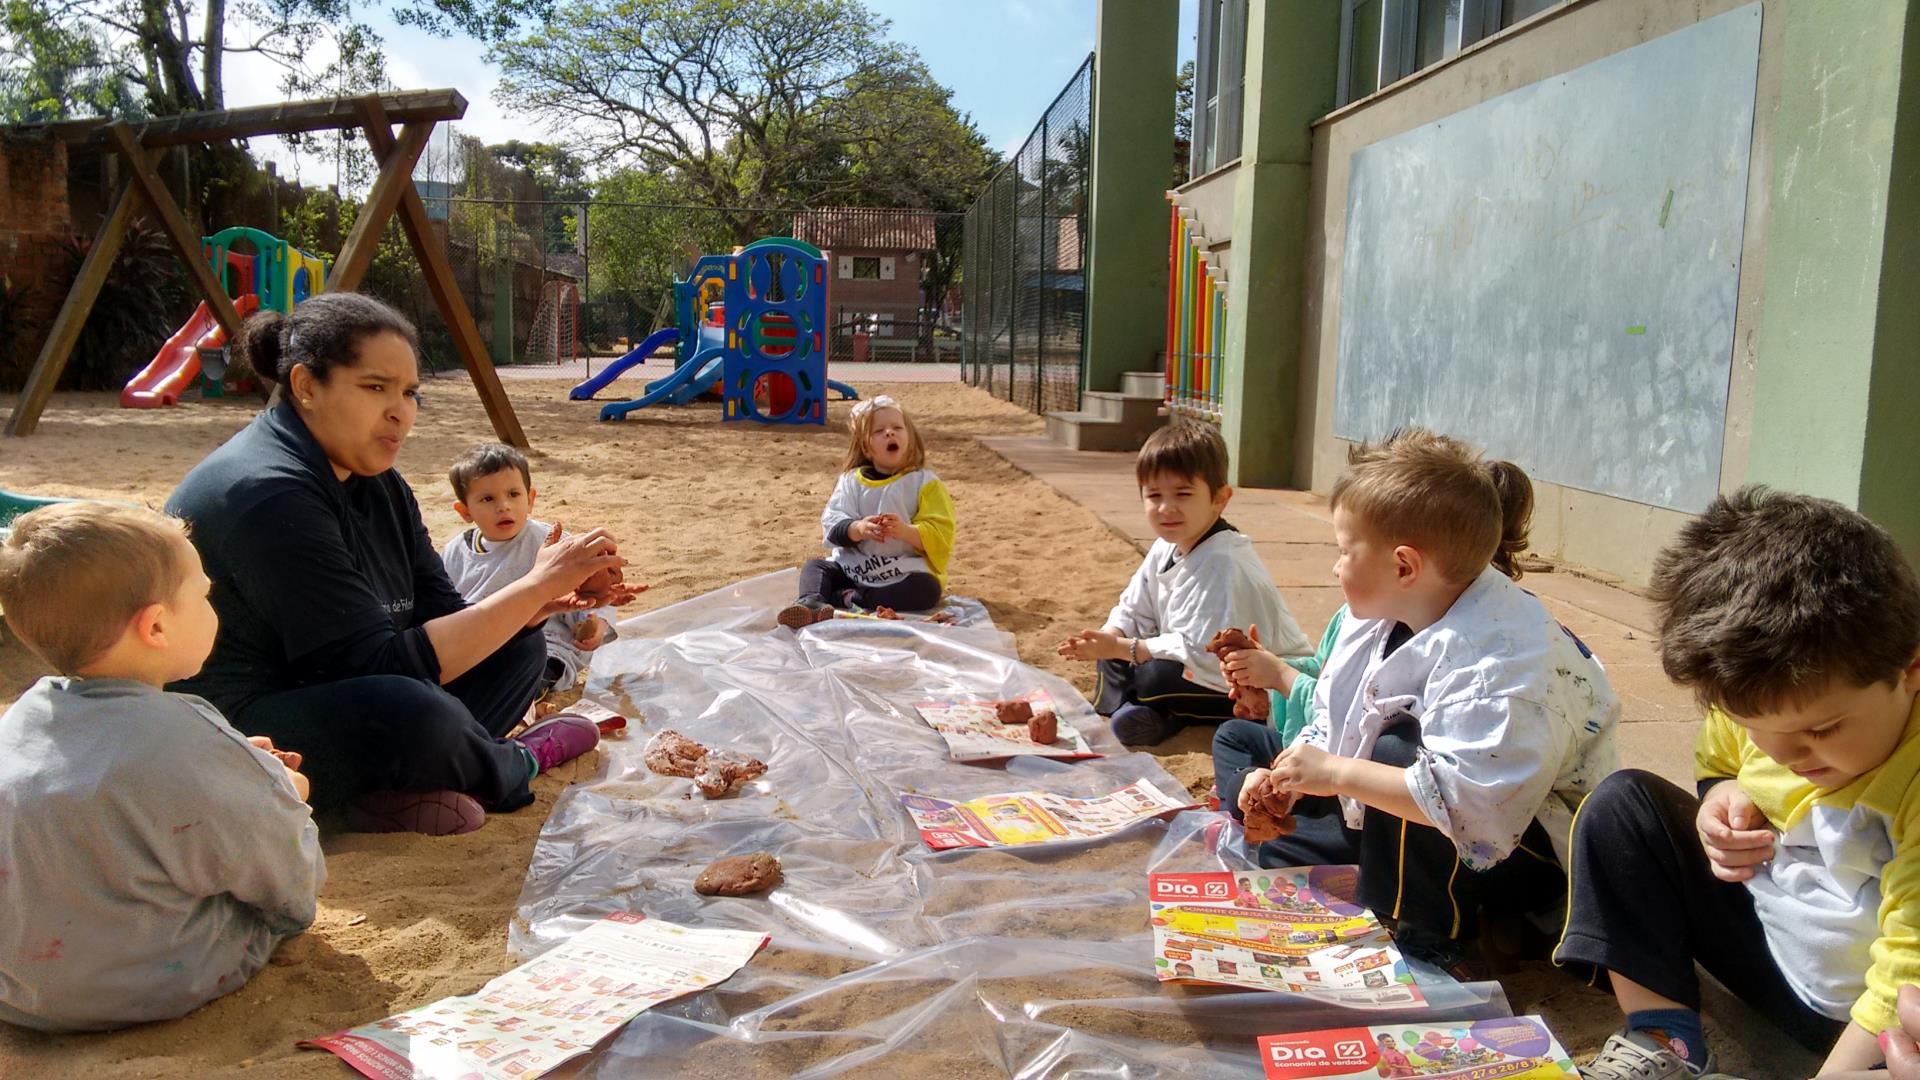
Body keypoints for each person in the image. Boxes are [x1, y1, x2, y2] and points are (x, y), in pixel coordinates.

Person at [166, 293, 632, 836]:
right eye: (375, 388)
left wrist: (537, 605)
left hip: (347, 695)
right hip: (241, 729)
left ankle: (382, 795)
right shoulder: (267, 494)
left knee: (520, 646)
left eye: (409, 392)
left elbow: (441, 611)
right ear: (305, 386)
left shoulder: (377, 481)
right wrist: (534, 585)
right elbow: (381, 669)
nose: (400, 411)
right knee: (412, 710)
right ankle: (516, 761)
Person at [1219, 428, 1620, 976]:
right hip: (1427, 829)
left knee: (1396, 752)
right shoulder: (1384, 615)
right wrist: (1286, 779)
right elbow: (1336, 714)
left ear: (1404, 565)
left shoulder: (1497, 660)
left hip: (1524, 845)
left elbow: (1467, 801)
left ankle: (1430, 930)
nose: (1335, 567)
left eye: (1343, 551)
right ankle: (1419, 891)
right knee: (1273, 804)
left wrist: (1334, 772)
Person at [1556, 489, 1920, 1079]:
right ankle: (1663, 1039)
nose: (1784, 753)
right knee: (1621, 808)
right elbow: (1718, 757)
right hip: (1778, 949)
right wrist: (1719, 794)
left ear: (1910, 671)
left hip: (1870, 1019)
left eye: (1821, 730)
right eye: (1756, 728)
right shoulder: (1760, 689)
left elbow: (1909, 975)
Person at [0, 503, 325, 1031]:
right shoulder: (190, 732)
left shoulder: (17, 726)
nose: (210, 605)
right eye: (202, 595)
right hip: (149, 987)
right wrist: (285, 790)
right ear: (155, 625)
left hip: (18, 993)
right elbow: (286, 883)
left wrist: (229, 761)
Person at [1057, 421, 1308, 746]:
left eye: (1183, 494)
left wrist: (1126, 648)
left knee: (1152, 677)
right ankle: (1137, 713)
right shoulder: (1168, 545)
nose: (1166, 508)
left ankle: (1150, 712)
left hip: (1249, 683)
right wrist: (1110, 638)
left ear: (1220, 499)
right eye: (1154, 495)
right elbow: (1134, 607)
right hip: (1186, 664)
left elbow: (1205, 653)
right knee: (1114, 654)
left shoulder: (1223, 562)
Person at [440, 442, 624, 694]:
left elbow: (597, 587)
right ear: (465, 511)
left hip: (546, 644)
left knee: (536, 673)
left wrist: (596, 623)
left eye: (513, 494)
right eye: (487, 499)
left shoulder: (554, 544)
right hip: (481, 647)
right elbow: (445, 609)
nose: (503, 506)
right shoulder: (455, 553)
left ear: (530, 499)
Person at [778, 395, 954, 628]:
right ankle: (811, 602)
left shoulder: (924, 482)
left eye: (897, 428)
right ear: (865, 447)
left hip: (901, 571)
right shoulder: (851, 481)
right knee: (815, 567)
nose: (889, 433)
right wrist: (858, 528)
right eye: (879, 431)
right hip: (854, 568)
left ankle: (847, 598)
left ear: (909, 438)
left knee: (927, 590)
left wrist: (905, 531)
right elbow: (833, 525)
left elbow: (941, 533)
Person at [1217, 605, 1349, 748]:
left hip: (1335, 751)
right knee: (1230, 734)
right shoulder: (1347, 614)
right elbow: (1321, 668)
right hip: (1303, 735)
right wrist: (1261, 677)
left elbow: (1340, 721)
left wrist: (1279, 676)